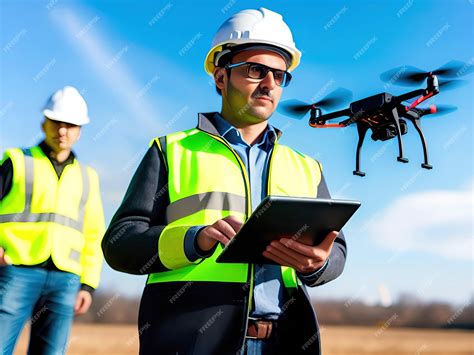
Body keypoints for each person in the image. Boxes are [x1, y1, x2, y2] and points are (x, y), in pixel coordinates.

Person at [102, 8, 347, 355]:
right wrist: (193, 240)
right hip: (192, 340)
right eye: (255, 70)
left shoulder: (306, 167)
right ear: (221, 77)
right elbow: (120, 243)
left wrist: (318, 263)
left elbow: (336, 250)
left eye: (280, 75)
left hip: (285, 342)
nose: (270, 84)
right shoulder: (171, 150)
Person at [0, 86, 105, 354]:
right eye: (57, 122)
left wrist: (88, 285)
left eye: (70, 125)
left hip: (66, 279)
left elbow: (94, 234)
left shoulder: (87, 176)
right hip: (15, 270)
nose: (62, 131)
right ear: (43, 123)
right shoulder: (16, 161)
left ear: (80, 130)